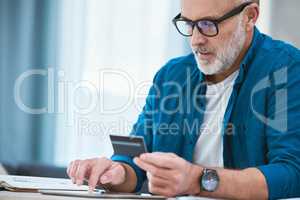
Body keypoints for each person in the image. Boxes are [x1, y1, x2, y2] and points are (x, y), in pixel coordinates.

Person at [67, 0, 300, 199]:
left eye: (209, 24)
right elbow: (135, 160)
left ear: (249, 17)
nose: (196, 40)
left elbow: (292, 172)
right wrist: (115, 172)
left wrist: (197, 180)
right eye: (189, 24)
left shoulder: (287, 69)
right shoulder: (171, 75)